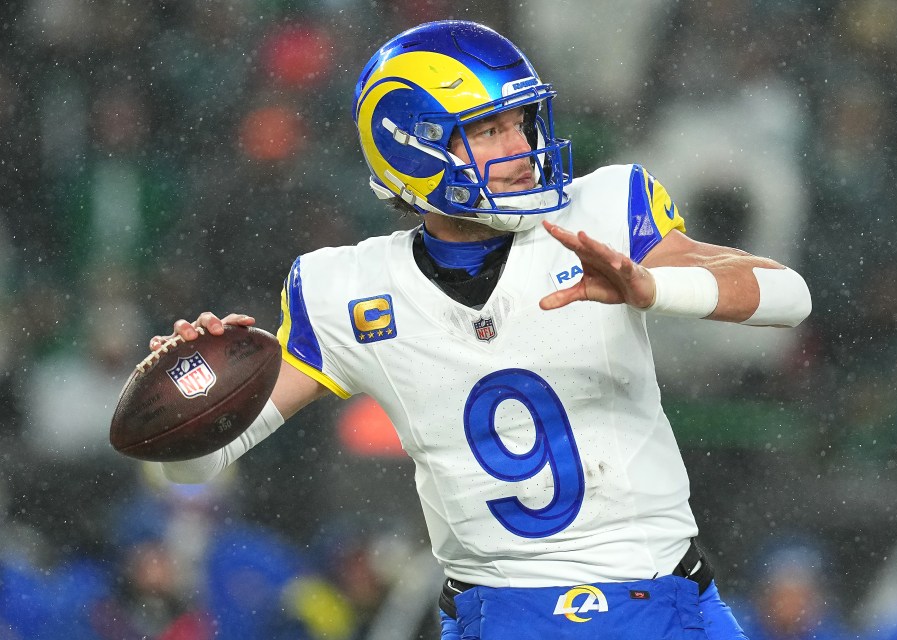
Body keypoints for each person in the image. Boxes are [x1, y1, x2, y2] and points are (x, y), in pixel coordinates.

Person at [154, 20, 811, 640]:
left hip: (661, 602)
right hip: (499, 615)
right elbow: (192, 465)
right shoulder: (349, 291)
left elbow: (789, 297)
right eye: (490, 130)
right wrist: (183, 391)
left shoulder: (602, 212)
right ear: (413, 147)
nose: (523, 148)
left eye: (522, 123)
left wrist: (653, 285)